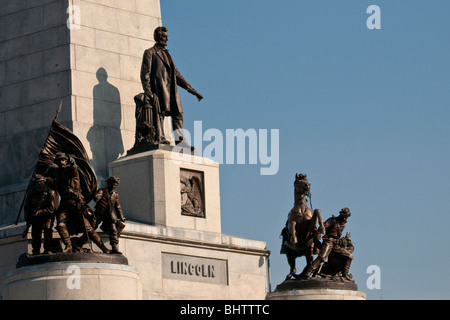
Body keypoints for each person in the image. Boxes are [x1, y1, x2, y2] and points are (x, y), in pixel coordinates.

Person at [140, 26, 203, 145]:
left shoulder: (167, 54)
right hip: (160, 89)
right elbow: (145, 74)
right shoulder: (150, 53)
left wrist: (192, 90)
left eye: (167, 37)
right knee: (160, 113)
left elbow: (176, 74)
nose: (167, 39)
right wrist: (148, 91)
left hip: (171, 89)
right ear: (157, 37)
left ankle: (180, 142)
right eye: (164, 37)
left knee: (178, 114)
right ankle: (160, 137)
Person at [45, 152, 109, 253]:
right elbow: (48, 174)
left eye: (63, 160)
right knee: (60, 225)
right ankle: (68, 246)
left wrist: (71, 160)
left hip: (76, 203)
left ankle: (104, 248)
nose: (62, 162)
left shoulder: (71, 170)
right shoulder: (57, 172)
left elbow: (73, 166)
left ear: (66, 161)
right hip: (65, 204)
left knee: (87, 228)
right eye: (59, 160)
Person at [303, 207, 354, 280]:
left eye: (347, 217)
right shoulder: (332, 220)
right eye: (344, 216)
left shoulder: (343, 224)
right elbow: (323, 226)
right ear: (341, 215)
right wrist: (318, 233)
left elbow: (337, 236)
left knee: (350, 256)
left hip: (336, 244)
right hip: (328, 242)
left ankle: (345, 274)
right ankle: (309, 272)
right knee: (322, 256)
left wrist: (343, 240)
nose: (345, 219)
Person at [24, 174, 57, 255]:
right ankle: (35, 250)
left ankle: (48, 249)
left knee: (47, 228)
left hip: (47, 216)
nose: (39, 184)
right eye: (37, 183)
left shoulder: (50, 192)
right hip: (36, 217)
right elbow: (27, 207)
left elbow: (51, 209)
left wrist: (39, 212)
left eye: (40, 182)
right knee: (35, 231)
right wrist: (28, 220)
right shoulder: (31, 193)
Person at [93, 176, 126, 254]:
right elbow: (97, 198)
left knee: (113, 230)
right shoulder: (102, 191)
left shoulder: (115, 194)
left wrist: (121, 217)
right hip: (99, 213)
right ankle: (79, 242)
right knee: (92, 228)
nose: (114, 185)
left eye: (115, 184)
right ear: (109, 183)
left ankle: (114, 248)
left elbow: (117, 206)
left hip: (109, 215)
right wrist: (97, 197)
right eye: (112, 183)